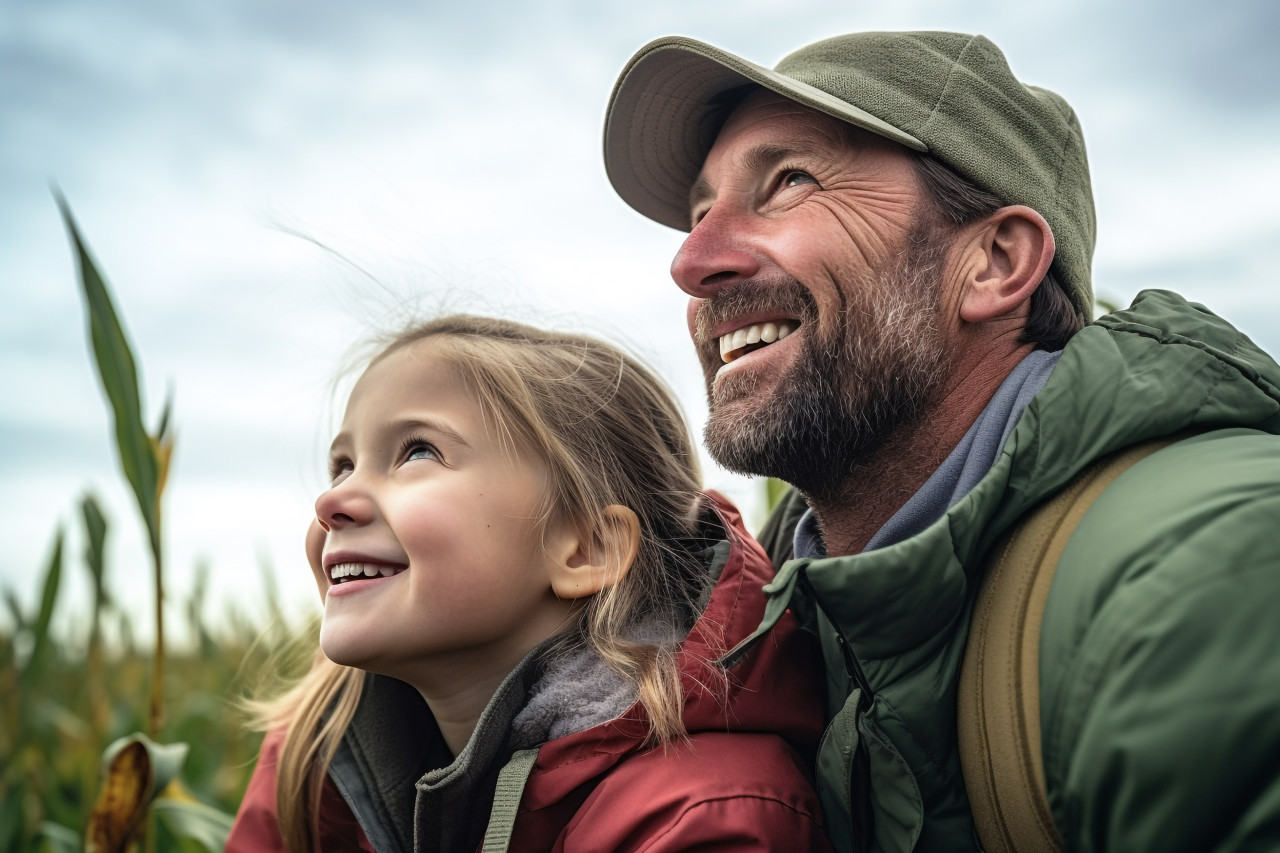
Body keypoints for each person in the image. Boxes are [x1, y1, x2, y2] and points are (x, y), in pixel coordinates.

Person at [603, 30, 1280, 852]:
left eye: (788, 183)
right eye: (701, 212)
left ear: (995, 263)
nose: (691, 260)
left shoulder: (1206, 575)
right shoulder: (769, 630)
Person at [225, 314, 834, 852]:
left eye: (416, 453)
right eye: (343, 464)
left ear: (585, 549)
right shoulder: (322, 755)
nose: (333, 499)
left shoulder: (697, 818)